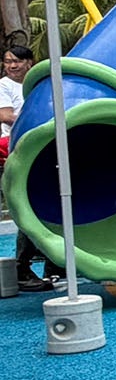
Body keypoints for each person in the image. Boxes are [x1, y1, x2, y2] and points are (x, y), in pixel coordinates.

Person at [1, 43, 57, 292]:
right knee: (30, 206)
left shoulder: (39, 85)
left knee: (50, 201)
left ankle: (54, 263)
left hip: (42, 148)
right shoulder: (4, 86)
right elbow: (5, 115)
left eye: (17, 61)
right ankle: (21, 267)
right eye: (8, 61)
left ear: (29, 63)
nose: (12, 66)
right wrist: (40, 120)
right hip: (16, 150)